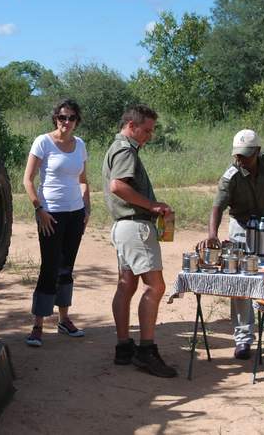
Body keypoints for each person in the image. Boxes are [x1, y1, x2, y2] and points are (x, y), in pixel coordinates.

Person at [200, 129, 264, 360]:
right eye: (237, 155)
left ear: (257, 152)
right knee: (242, 283)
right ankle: (243, 337)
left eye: (245, 155)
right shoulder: (230, 176)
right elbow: (217, 207)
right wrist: (212, 234)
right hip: (241, 228)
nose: (240, 159)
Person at [102, 104, 177, 378]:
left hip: (124, 227)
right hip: (135, 227)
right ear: (131, 126)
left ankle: (124, 346)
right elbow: (118, 186)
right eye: (146, 130)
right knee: (155, 287)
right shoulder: (125, 149)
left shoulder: (119, 148)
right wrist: (152, 205)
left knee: (127, 285)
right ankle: (147, 351)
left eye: (152, 130)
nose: (149, 135)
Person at [22, 99, 91, 347]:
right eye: (62, 117)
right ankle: (38, 325)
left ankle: (64, 320)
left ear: (76, 121)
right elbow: (27, 180)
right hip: (50, 213)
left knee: (66, 267)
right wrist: (38, 209)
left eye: (71, 118)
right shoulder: (43, 142)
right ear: (55, 118)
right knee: (49, 267)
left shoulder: (80, 145)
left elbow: (83, 180)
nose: (66, 122)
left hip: (75, 213)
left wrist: (87, 208)